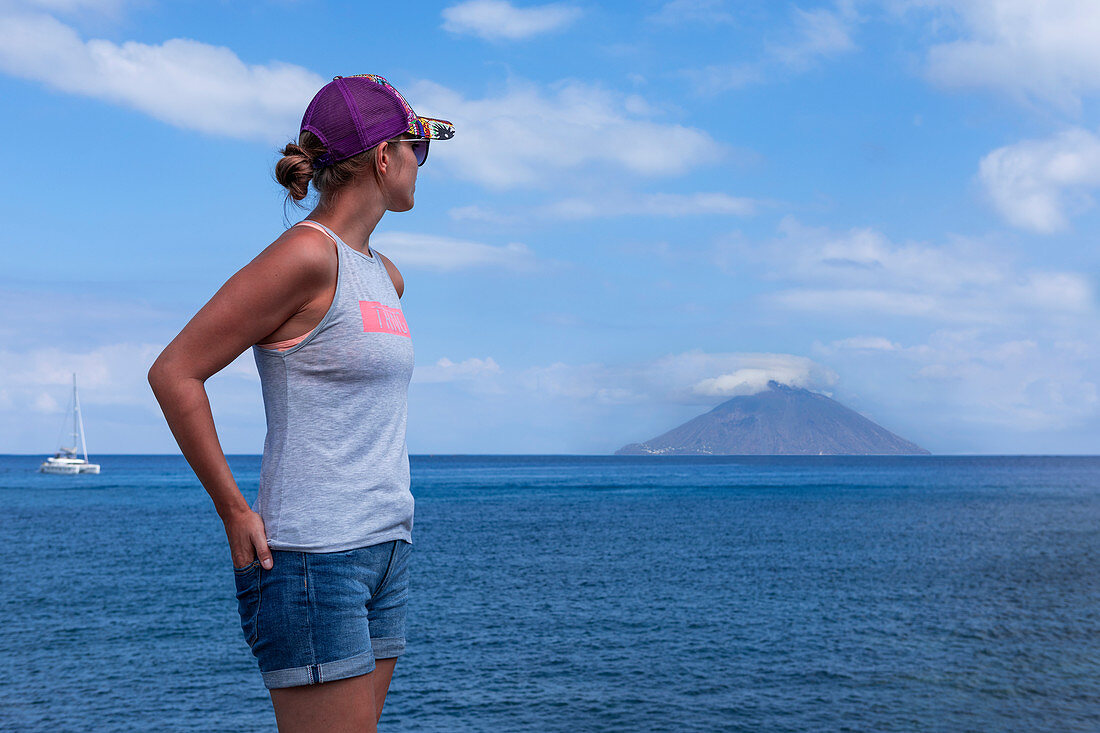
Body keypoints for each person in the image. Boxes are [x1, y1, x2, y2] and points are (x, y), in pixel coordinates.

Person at [148, 74, 454, 732]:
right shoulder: (306, 256)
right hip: (315, 559)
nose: (420, 165)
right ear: (382, 157)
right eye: (418, 148)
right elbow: (176, 371)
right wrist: (233, 508)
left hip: (384, 550)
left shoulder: (383, 272)